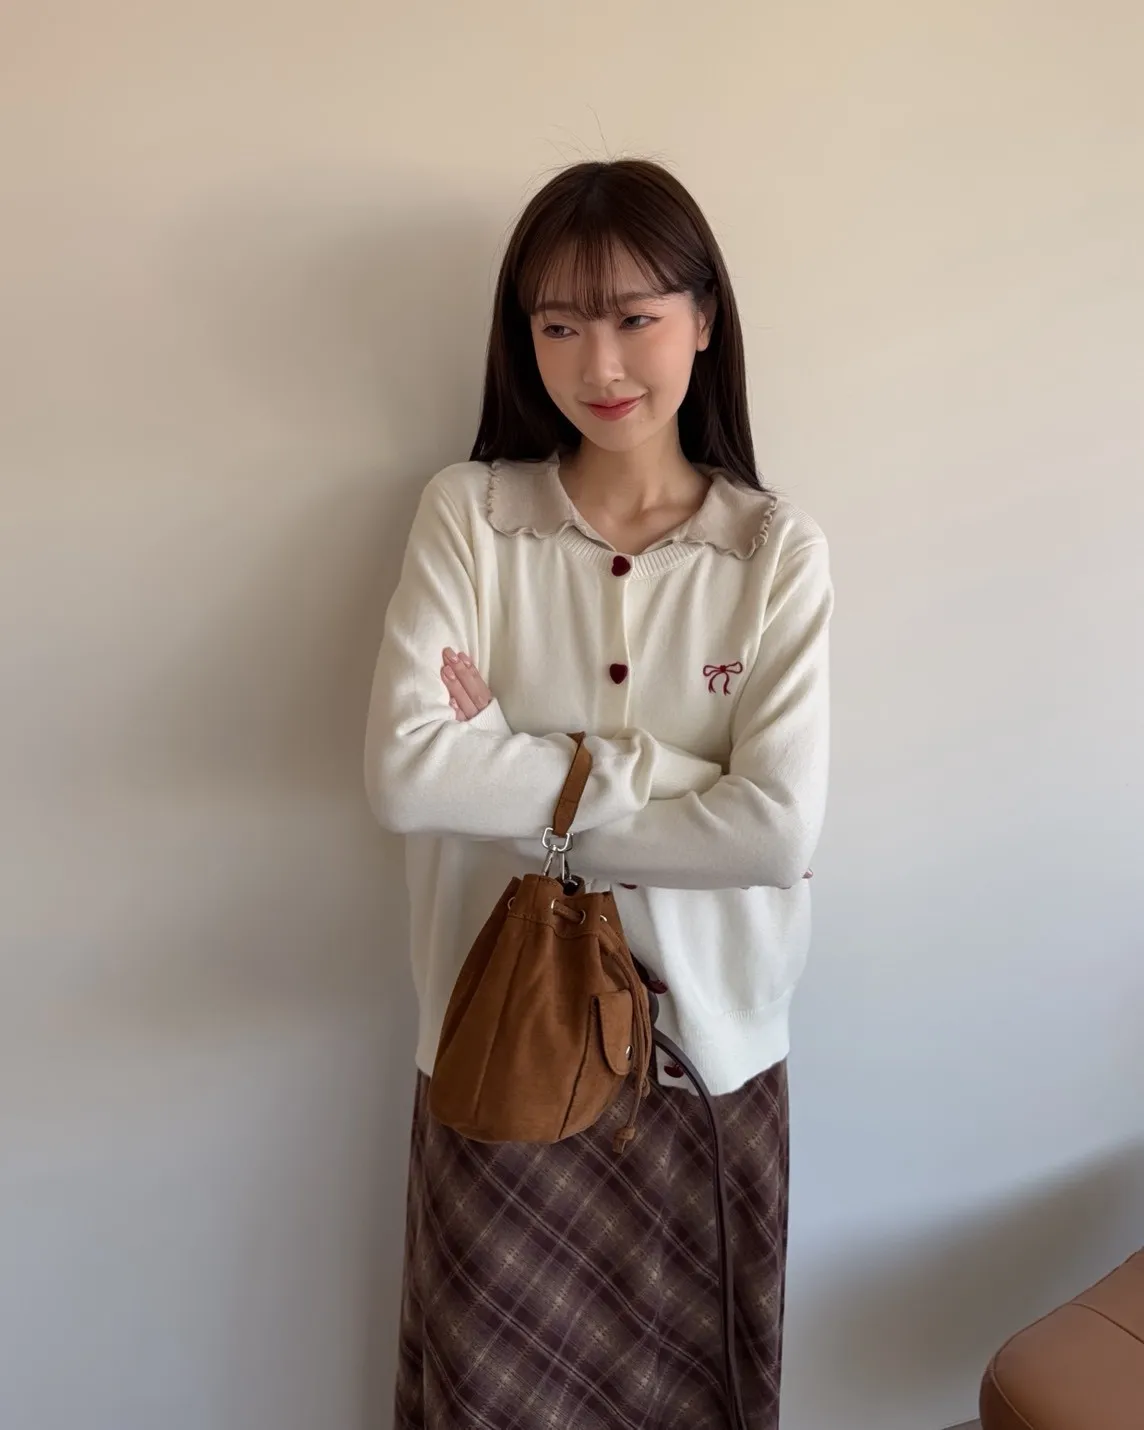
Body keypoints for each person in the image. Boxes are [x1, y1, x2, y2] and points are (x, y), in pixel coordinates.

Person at [364, 158, 832, 1430]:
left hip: (708, 1051)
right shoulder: (469, 516)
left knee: (695, 1393)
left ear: (703, 318)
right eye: (560, 324)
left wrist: (515, 756)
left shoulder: (774, 550)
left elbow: (776, 830)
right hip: (502, 1041)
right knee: (492, 1392)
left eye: (634, 316)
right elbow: (405, 772)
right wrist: (685, 781)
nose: (600, 361)